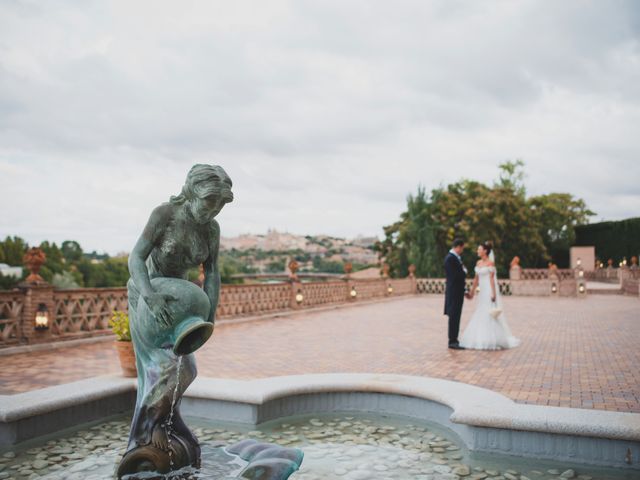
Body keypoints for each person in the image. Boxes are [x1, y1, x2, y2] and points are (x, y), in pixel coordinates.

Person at [126, 164, 233, 451]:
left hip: (180, 303)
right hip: (151, 295)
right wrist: (149, 295)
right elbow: (135, 258)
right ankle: (147, 433)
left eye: (221, 204)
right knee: (164, 368)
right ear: (191, 191)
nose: (214, 209)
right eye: (210, 200)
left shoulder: (211, 229)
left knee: (186, 368)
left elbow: (211, 273)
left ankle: (164, 426)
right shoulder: (165, 214)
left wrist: (209, 318)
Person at [459, 241, 520, 350]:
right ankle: (481, 337)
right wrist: (472, 293)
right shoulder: (478, 263)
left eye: (479, 249)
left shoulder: (490, 264)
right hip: (482, 292)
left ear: (485, 251)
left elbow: (492, 279)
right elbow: (476, 279)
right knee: (481, 311)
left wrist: (493, 293)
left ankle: (494, 339)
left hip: (489, 291)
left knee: (490, 313)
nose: (477, 251)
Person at [444, 238, 467, 350]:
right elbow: (455, 276)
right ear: (458, 247)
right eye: (462, 248)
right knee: (454, 316)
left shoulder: (454, 258)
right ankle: (452, 341)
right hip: (454, 292)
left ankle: (454, 339)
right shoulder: (450, 258)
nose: (462, 251)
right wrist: (464, 272)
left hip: (457, 292)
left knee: (456, 316)